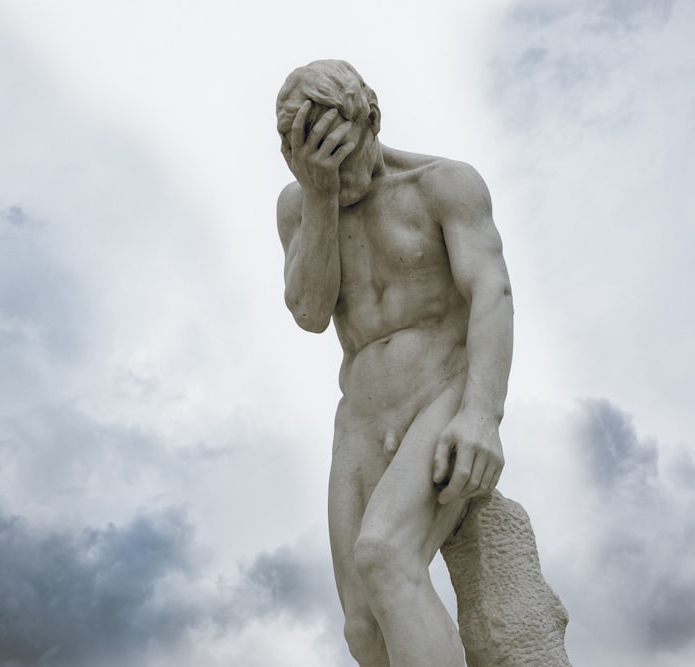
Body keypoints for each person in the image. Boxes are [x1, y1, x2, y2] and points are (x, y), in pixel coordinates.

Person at [276, 60, 514, 666]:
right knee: (361, 627)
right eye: (313, 161)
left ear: (372, 122)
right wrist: (320, 195)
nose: (335, 177)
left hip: (441, 392)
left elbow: (491, 291)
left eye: (342, 157)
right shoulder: (302, 204)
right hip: (359, 416)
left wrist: (482, 414)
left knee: (385, 555)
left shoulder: (444, 184)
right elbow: (308, 312)